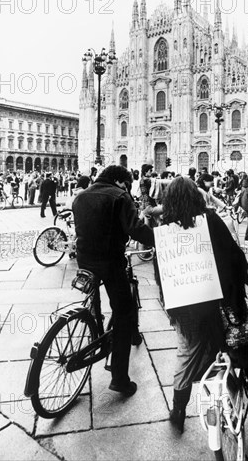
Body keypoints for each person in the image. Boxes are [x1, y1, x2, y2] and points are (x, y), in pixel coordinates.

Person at [161, 177, 248, 433]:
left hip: (187, 307)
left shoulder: (165, 228)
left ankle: (178, 411)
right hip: (222, 301)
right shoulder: (208, 219)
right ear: (195, 197)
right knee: (243, 343)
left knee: (186, 354)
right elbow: (232, 254)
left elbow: (163, 274)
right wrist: (242, 274)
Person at [72, 165, 154, 397]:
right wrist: (162, 238)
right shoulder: (119, 196)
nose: (128, 189)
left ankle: (95, 327)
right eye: (127, 185)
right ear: (119, 181)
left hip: (84, 259)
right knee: (123, 313)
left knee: (96, 299)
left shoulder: (81, 196)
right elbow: (135, 230)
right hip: (109, 261)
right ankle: (119, 378)